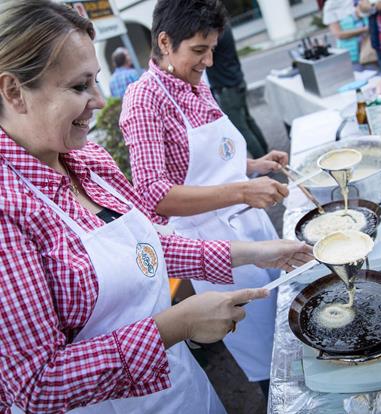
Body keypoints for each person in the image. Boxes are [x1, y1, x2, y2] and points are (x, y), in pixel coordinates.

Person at [0, 1, 313, 413]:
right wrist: (176, 325)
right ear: (13, 91)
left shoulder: (89, 160)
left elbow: (148, 247)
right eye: (79, 87)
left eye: (96, 81)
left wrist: (256, 252)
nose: (97, 99)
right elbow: (36, 383)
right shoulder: (8, 209)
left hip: (180, 388)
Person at [120, 0, 298, 397]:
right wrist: (241, 190)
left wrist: (253, 166)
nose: (209, 60)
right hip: (212, 245)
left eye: (212, 48)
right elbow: (154, 192)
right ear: (165, 42)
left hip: (250, 223)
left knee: (289, 326)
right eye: (199, 50)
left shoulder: (196, 84)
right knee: (270, 353)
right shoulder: (144, 99)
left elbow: (212, 161)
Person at [206, 23, 269, 159]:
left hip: (226, 87)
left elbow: (205, 54)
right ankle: (266, 154)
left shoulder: (212, 33)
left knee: (241, 128)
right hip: (236, 81)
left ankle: (262, 161)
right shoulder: (224, 26)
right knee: (248, 121)